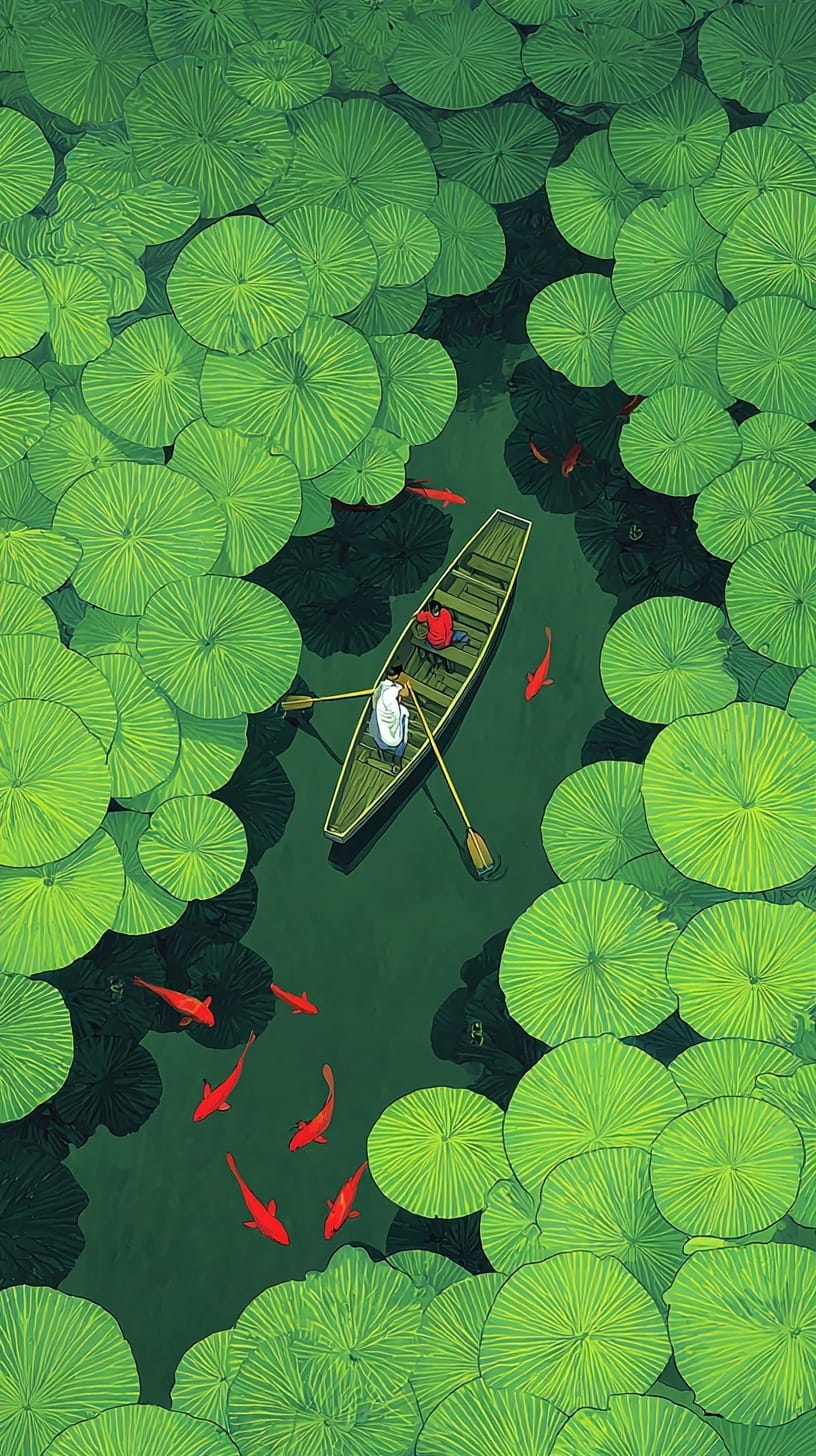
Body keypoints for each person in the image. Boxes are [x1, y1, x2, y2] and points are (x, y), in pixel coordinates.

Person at [369, 664, 409, 772]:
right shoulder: (394, 692)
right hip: (393, 741)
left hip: (379, 737)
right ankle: (397, 758)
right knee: (405, 716)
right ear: (396, 675)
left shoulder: (380, 689)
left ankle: (381, 752)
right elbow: (406, 693)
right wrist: (406, 685)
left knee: (374, 716)